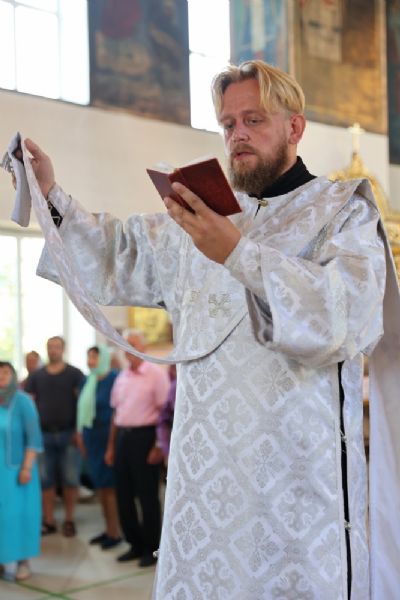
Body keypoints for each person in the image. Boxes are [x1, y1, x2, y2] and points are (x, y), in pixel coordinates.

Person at [14, 59, 400, 598]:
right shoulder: (197, 217)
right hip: (203, 489)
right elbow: (118, 253)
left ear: (294, 127)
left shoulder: (341, 213)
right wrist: (50, 195)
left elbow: (347, 316)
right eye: (228, 124)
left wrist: (239, 254)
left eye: (253, 120)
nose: (237, 134)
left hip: (293, 490)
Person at [105, 330, 169, 567]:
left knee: (147, 495)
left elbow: (165, 415)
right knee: (123, 494)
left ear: (144, 348)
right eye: (125, 344)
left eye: (132, 344)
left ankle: (151, 548)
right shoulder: (122, 376)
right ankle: (134, 543)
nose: (127, 349)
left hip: (145, 438)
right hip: (123, 437)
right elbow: (116, 414)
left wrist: (159, 446)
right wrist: (111, 447)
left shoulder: (156, 374)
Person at [25, 336, 84, 537]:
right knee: (45, 479)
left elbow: (83, 405)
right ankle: (48, 520)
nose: (53, 350)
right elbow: (30, 406)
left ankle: (69, 519)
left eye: (57, 347)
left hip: (68, 434)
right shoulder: (37, 376)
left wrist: (78, 431)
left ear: (63, 349)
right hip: (43, 435)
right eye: (50, 347)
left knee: (70, 478)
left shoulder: (75, 374)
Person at [0, 361, 42, 581]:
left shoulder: (23, 401)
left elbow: (34, 438)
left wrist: (27, 467)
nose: (1, 376)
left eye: (6, 372)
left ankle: (23, 561)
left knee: (19, 514)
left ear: (13, 375)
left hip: (17, 470)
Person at [77, 345, 121, 549]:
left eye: (95, 356)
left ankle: (115, 532)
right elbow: (81, 411)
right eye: (89, 357)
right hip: (91, 438)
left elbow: (116, 412)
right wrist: (81, 436)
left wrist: (111, 446)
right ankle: (107, 530)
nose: (91, 361)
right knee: (100, 487)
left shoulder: (114, 378)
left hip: (107, 437)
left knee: (109, 486)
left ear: (103, 358)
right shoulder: (88, 380)